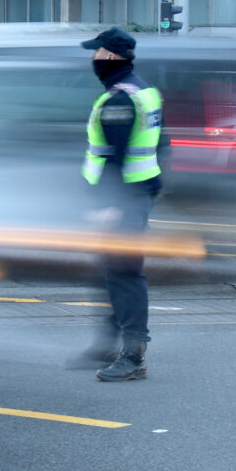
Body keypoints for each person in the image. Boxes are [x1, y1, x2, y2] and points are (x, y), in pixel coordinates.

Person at [75, 27, 162, 382]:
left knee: (124, 274)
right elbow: (161, 143)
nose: (92, 58)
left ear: (110, 56)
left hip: (124, 199)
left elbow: (116, 156)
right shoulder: (144, 91)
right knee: (111, 272)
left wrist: (109, 205)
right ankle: (110, 344)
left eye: (96, 52)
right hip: (138, 194)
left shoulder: (119, 100)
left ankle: (133, 357)